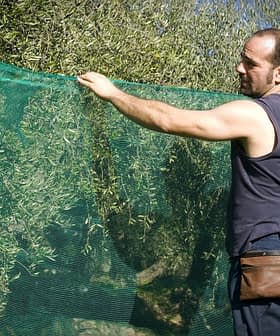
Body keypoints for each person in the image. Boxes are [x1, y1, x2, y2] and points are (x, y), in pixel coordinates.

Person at [78, 28, 280, 336]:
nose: (239, 68)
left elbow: (168, 120)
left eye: (251, 64)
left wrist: (113, 93)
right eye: (241, 59)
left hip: (265, 267)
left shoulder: (255, 116)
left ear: (278, 74)